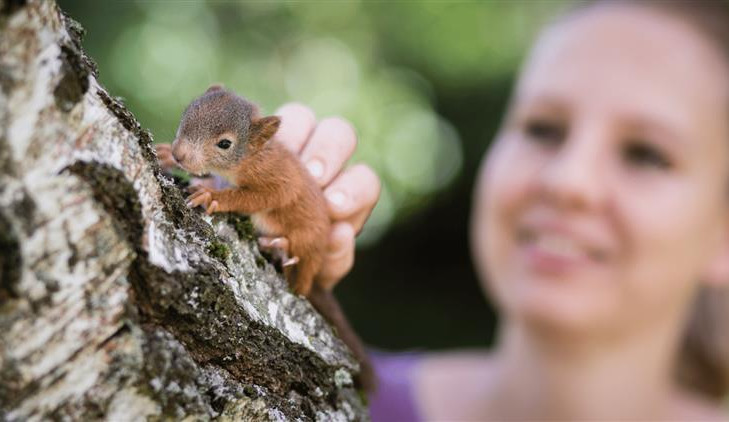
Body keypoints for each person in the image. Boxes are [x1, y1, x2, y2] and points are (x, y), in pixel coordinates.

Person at [266, 0, 729, 419]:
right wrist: (249, 253)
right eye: (543, 129)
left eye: (645, 153)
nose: (568, 181)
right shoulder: (308, 403)